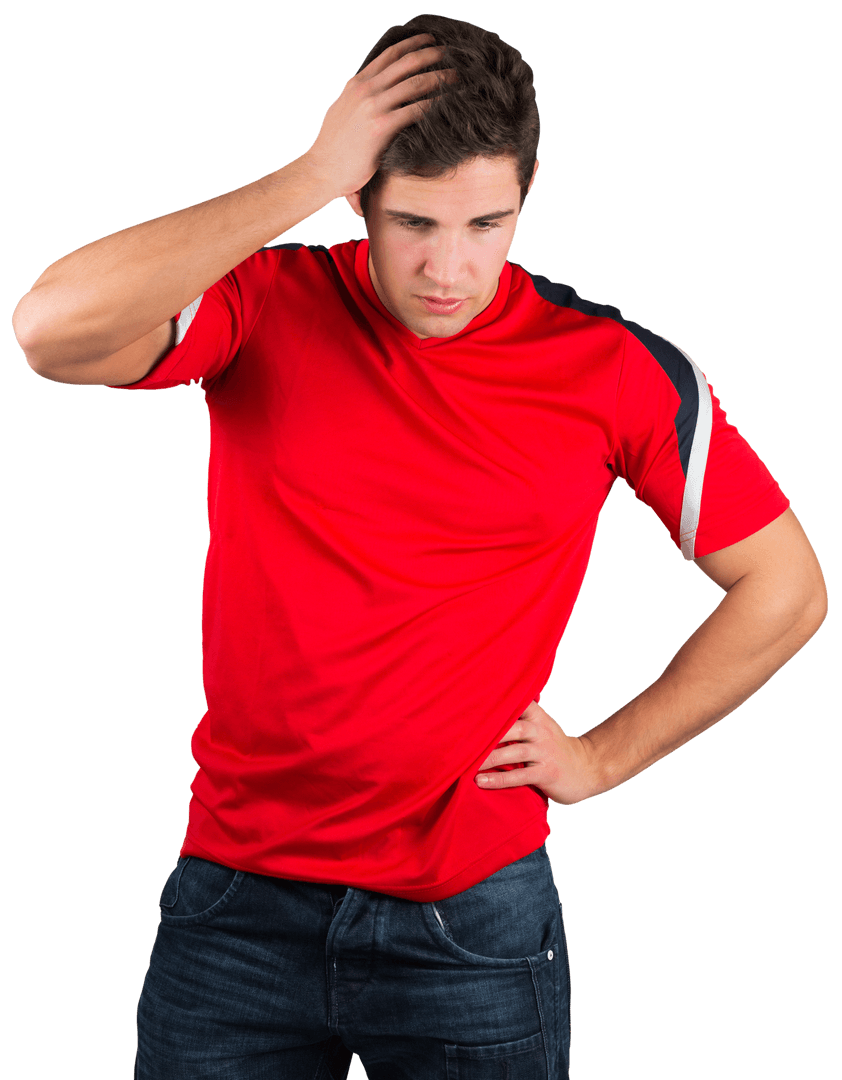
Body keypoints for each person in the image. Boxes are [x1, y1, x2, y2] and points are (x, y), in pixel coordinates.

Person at [12, 12, 826, 1080]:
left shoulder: (612, 367)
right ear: (358, 197)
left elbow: (784, 587)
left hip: (471, 924)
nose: (450, 267)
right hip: (234, 905)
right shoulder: (264, 304)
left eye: (486, 223)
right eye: (412, 224)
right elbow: (47, 329)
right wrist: (306, 171)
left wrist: (600, 757)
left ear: (531, 187)